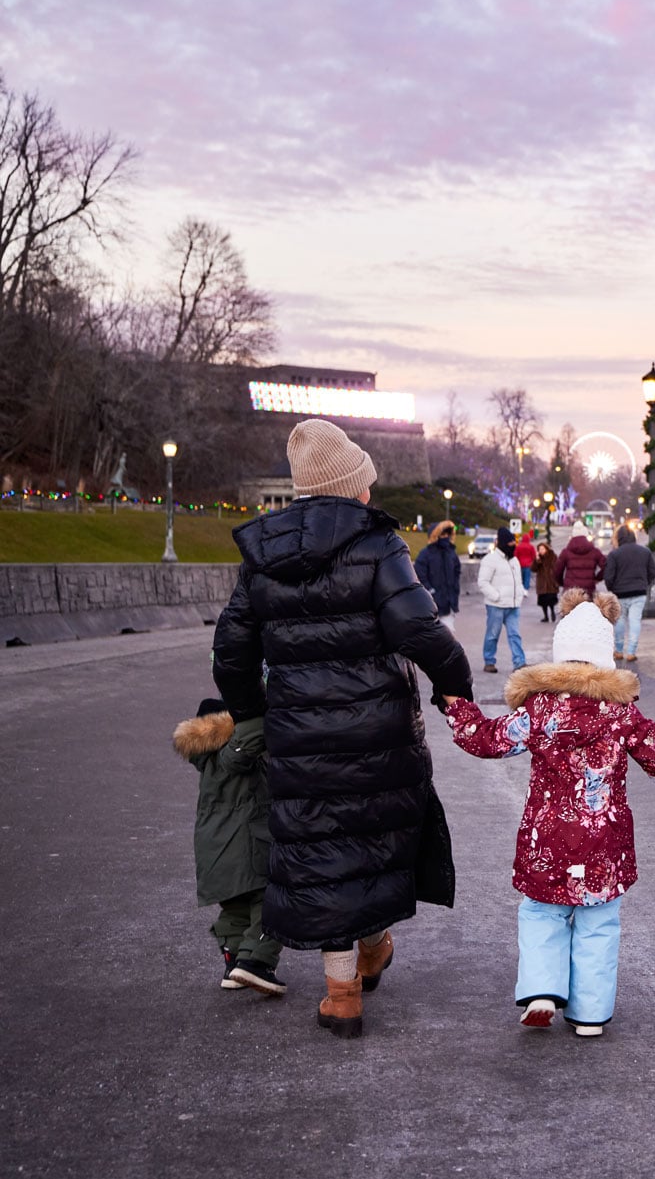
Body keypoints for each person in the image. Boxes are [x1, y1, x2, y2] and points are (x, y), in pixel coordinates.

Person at [212, 418, 473, 1038]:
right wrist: (454, 686)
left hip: (299, 737)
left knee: (323, 850)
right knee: (373, 837)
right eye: (365, 484)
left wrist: (251, 710)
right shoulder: (378, 544)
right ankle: (374, 945)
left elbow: (232, 647)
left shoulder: (262, 555)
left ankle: (342, 994)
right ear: (351, 486)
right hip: (377, 728)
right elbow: (418, 629)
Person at [443, 598, 655, 1037]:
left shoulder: (540, 711)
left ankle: (542, 990)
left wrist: (457, 706)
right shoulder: (622, 714)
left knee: (542, 912)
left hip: (547, 838)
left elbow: (486, 740)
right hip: (604, 841)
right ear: (606, 656)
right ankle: (590, 1015)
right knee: (599, 924)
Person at [173, 695, 283, 996]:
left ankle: (233, 963)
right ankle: (256, 962)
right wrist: (260, 707)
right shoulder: (231, 752)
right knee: (272, 902)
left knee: (236, 909)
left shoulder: (206, 760)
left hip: (216, 853)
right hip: (246, 846)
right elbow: (253, 732)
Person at [478, 524, 529, 674]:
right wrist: (496, 596)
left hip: (513, 605)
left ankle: (519, 662)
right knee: (492, 634)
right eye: (511, 543)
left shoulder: (514, 561)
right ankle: (489, 661)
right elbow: (483, 582)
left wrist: (519, 595)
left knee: (515, 634)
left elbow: (518, 581)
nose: (513, 546)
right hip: (496, 605)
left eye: (515, 543)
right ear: (503, 543)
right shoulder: (490, 560)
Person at [602, 526, 655, 662]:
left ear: (618, 538)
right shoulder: (645, 552)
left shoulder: (614, 554)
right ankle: (631, 651)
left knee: (619, 620)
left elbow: (608, 576)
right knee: (635, 620)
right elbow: (652, 572)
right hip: (639, 592)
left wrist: (612, 588)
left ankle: (619, 650)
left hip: (620, 593)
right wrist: (644, 583)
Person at [415, 520, 462, 628]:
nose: (445, 537)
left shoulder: (451, 553)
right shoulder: (425, 554)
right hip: (430, 606)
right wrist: (430, 591)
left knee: (448, 637)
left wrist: (455, 591)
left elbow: (456, 572)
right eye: (442, 534)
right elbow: (419, 574)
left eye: (447, 534)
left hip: (448, 605)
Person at [553, 523, 604, 599]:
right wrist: (597, 578)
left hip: (570, 591)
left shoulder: (566, 552)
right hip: (588, 591)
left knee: (570, 610)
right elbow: (607, 566)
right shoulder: (594, 551)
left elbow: (557, 571)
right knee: (587, 610)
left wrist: (561, 583)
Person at [532, 541, 559, 622]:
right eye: (539, 549)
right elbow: (533, 569)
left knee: (551, 599)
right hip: (542, 582)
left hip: (551, 581)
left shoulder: (552, 556)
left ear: (546, 549)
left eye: (543, 549)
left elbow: (556, 567)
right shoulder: (538, 558)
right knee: (543, 601)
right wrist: (537, 560)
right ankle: (546, 616)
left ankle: (552, 612)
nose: (541, 550)